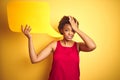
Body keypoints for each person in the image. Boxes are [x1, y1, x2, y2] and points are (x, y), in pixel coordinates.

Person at [21, 16, 96, 80]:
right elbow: (34, 59)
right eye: (67, 30)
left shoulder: (77, 46)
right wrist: (30, 38)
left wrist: (77, 29)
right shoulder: (54, 45)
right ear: (61, 30)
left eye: (73, 31)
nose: (70, 33)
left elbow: (92, 46)